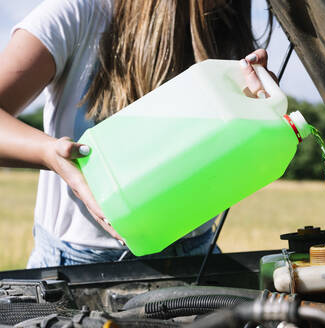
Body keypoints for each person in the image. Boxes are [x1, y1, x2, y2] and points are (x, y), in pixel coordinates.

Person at [0, 0, 274, 268]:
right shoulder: (77, 12)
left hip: (197, 256)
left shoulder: (227, 26)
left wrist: (258, 117)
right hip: (79, 265)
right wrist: (49, 154)